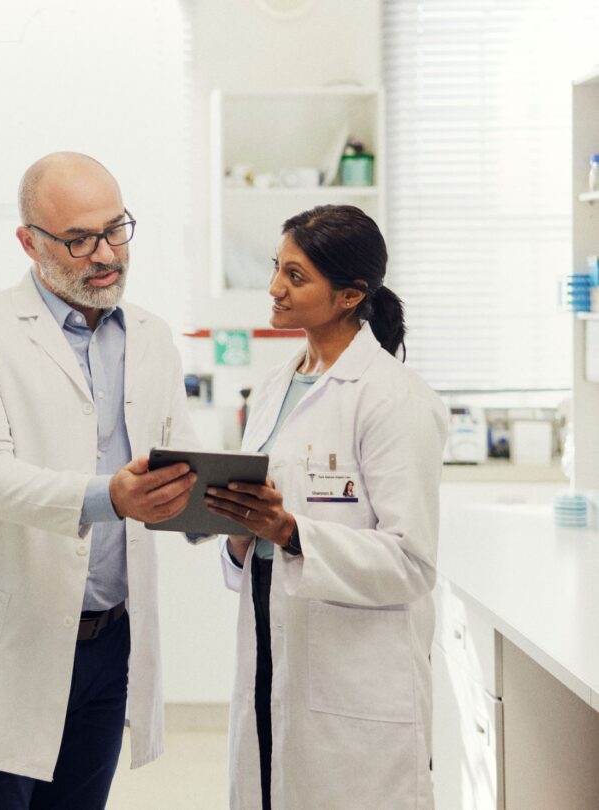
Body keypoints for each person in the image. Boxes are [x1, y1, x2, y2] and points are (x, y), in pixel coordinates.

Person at [0, 152, 201, 809]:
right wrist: (108, 495)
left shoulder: (151, 338)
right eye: (79, 239)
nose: (106, 253)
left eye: (116, 229)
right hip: (7, 643)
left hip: (109, 644)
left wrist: (229, 513)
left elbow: (179, 466)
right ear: (29, 242)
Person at [202, 205, 447, 809]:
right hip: (271, 644)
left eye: (296, 276)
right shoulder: (272, 388)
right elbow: (259, 538)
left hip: (357, 680)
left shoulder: (393, 399)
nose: (275, 289)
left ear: (348, 296)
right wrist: (239, 529)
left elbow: (411, 562)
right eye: (276, 268)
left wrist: (290, 532)